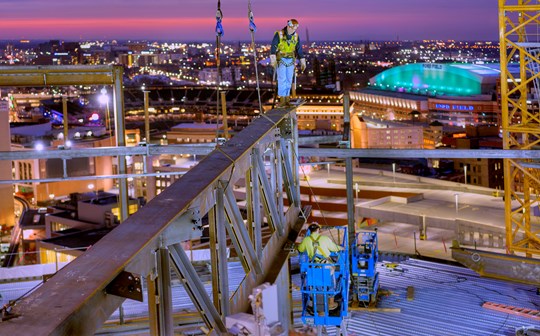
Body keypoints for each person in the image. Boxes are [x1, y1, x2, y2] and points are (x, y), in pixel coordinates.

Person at [297, 223, 342, 311]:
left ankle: (316, 302)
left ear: (310, 231)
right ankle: (331, 303)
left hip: (313, 267)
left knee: (315, 284)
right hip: (326, 266)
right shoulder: (324, 239)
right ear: (318, 230)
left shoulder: (306, 240)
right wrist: (341, 248)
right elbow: (334, 248)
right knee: (331, 282)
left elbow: (300, 249)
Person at [270, 18, 306, 107]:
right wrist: (273, 60)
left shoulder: (296, 36)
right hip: (281, 60)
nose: (293, 30)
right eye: (292, 28)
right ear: (288, 26)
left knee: (289, 80)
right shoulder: (279, 34)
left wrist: (302, 60)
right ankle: (282, 99)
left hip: (290, 60)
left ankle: (287, 99)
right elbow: (273, 47)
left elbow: (299, 49)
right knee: (282, 79)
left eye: (295, 28)